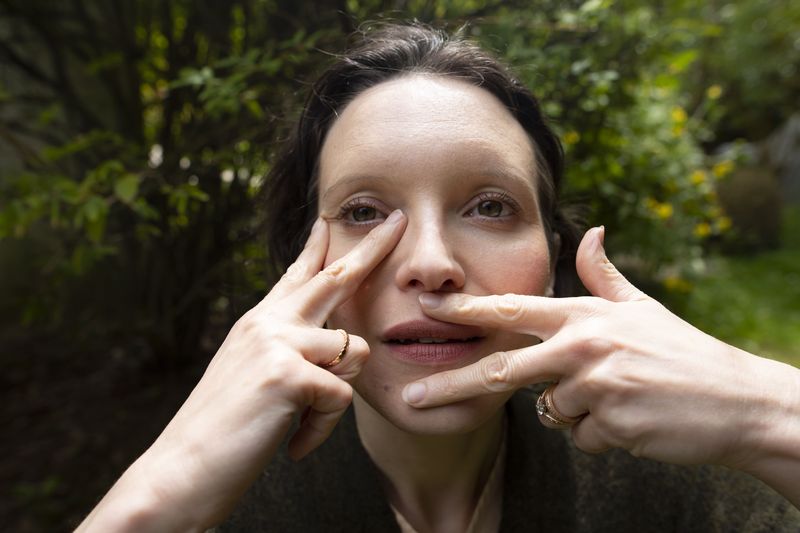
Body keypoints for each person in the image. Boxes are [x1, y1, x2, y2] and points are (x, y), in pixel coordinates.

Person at [77, 23, 800, 532]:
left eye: (490, 206)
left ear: (552, 258)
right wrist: (158, 494)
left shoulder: (682, 481)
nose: (430, 263)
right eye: (364, 212)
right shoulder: (212, 509)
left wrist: (769, 413)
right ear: (306, 263)